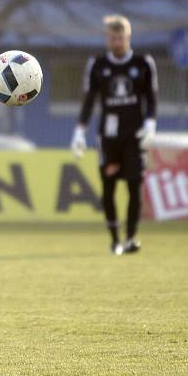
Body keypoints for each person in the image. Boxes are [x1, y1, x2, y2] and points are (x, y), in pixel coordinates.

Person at [70, 14, 157, 255]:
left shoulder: (143, 63)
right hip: (108, 136)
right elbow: (89, 100)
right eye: (112, 38)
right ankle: (114, 240)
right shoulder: (97, 65)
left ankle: (130, 238)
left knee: (134, 184)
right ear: (107, 39)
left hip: (135, 134)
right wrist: (79, 131)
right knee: (108, 188)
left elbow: (151, 98)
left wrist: (151, 125)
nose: (117, 42)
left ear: (128, 37)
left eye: (120, 38)